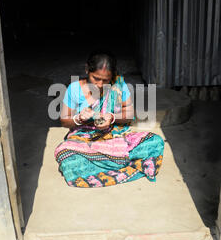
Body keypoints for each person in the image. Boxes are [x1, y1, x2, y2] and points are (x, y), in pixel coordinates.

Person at [54, 51, 164, 188]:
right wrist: (79, 119)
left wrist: (112, 117)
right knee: (66, 154)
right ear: (87, 69)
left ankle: (103, 163)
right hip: (85, 139)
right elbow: (64, 121)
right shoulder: (74, 88)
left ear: (112, 76)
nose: (100, 84)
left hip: (114, 137)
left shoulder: (118, 86)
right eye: (96, 78)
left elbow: (129, 114)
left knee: (155, 141)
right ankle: (118, 161)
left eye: (105, 80)